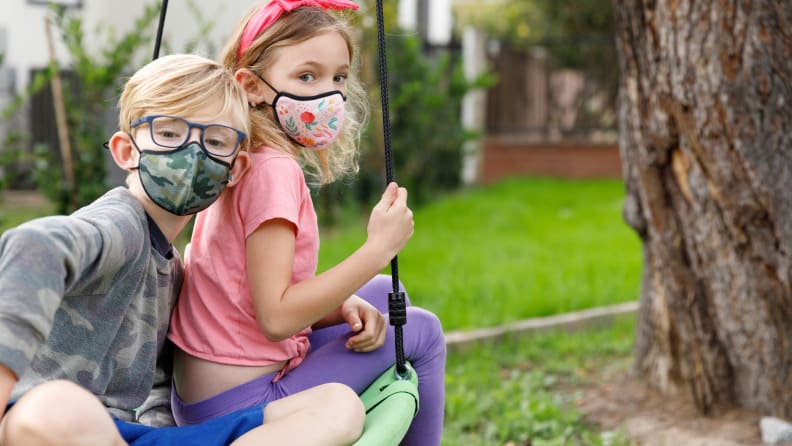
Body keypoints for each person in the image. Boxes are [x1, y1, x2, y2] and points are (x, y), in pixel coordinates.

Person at [0, 53, 364, 446]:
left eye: (214, 141)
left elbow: (157, 382)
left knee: (338, 403)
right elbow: (33, 246)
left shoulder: (171, 267)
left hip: (138, 435)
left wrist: (333, 311)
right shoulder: (122, 226)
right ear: (126, 151)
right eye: (169, 134)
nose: (192, 155)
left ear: (235, 170)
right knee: (57, 406)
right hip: (57, 424)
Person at [167, 1, 447, 445]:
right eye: (306, 76)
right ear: (252, 86)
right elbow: (276, 316)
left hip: (206, 389)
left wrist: (340, 307)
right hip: (239, 403)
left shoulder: (245, 155)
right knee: (423, 331)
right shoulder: (273, 171)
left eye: (338, 77)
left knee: (382, 295)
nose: (329, 95)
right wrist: (377, 249)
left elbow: (245, 296)